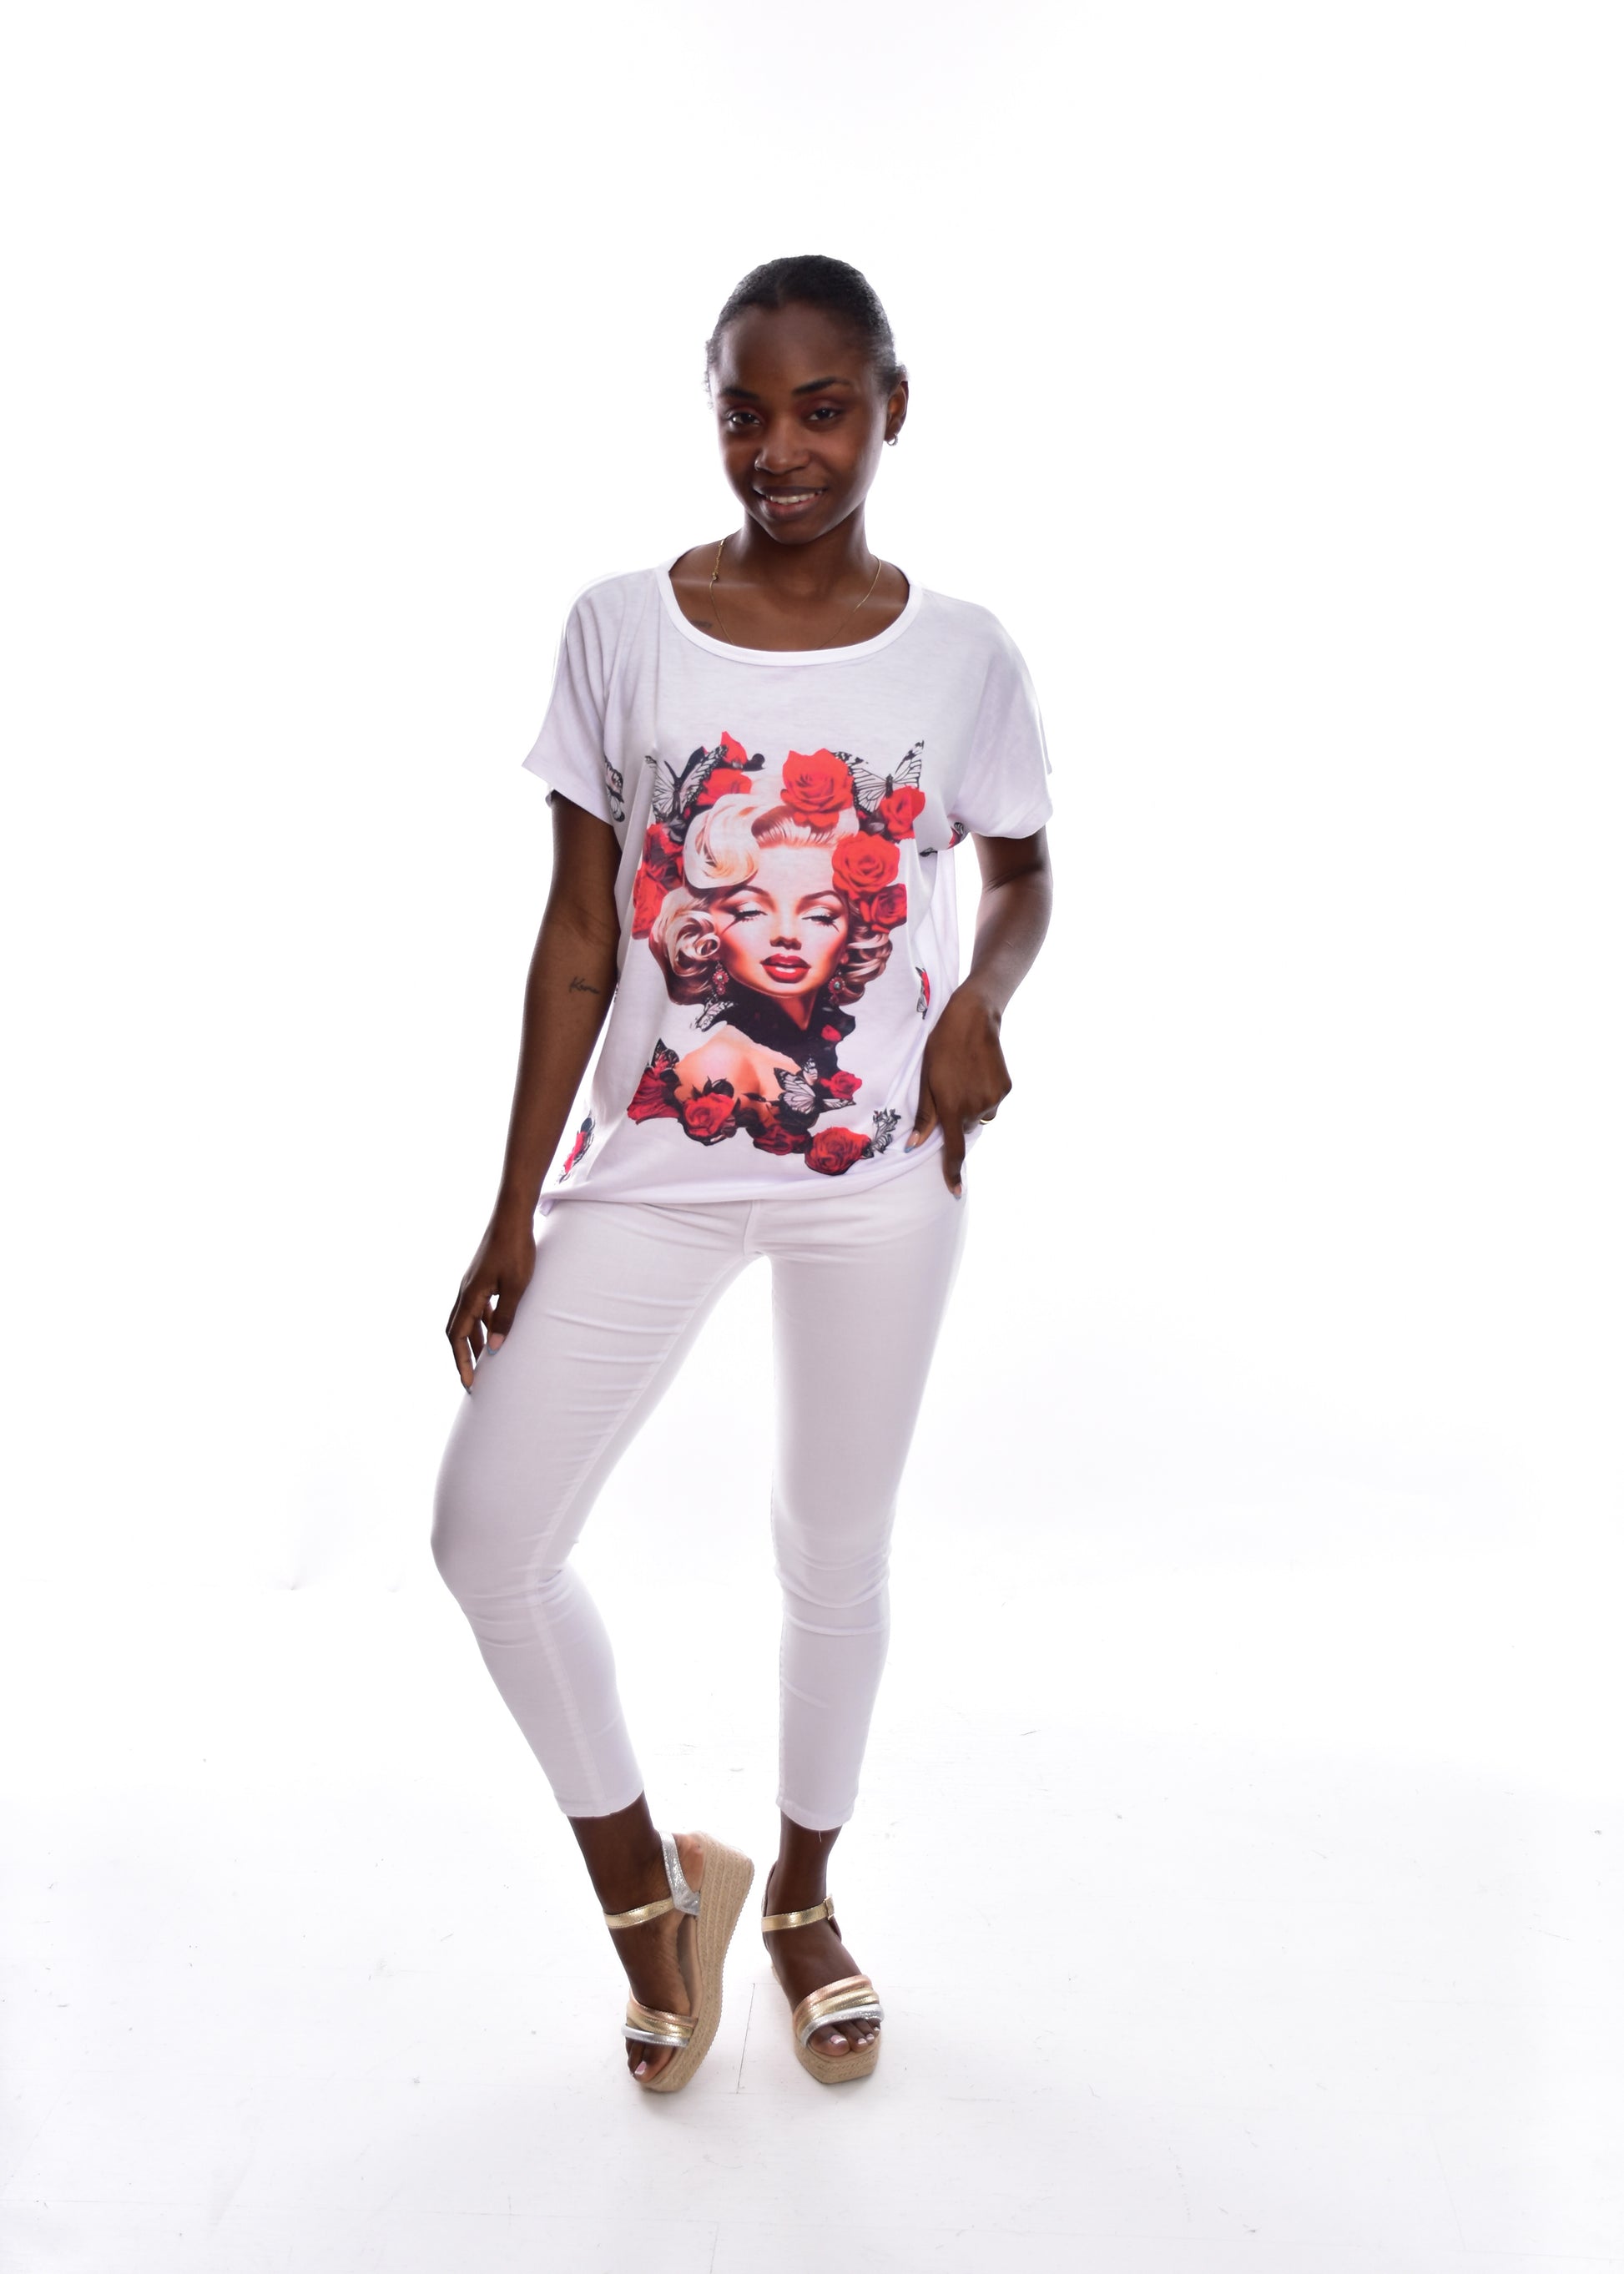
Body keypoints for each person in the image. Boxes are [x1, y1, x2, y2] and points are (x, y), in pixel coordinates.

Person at [431, 254, 1054, 2091]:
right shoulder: (622, 626)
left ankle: (802, 1900)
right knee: (487, 1535)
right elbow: (576, 931)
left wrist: (980, 1000)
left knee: (830, 1546)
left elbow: (1022, 870)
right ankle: (652, 1893)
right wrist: (512, 1205)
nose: (779, 450)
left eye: (820, 410)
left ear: (891, 410)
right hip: (654, 1159)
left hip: (882, 1171)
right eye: (744, 411)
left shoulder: (963, 654)